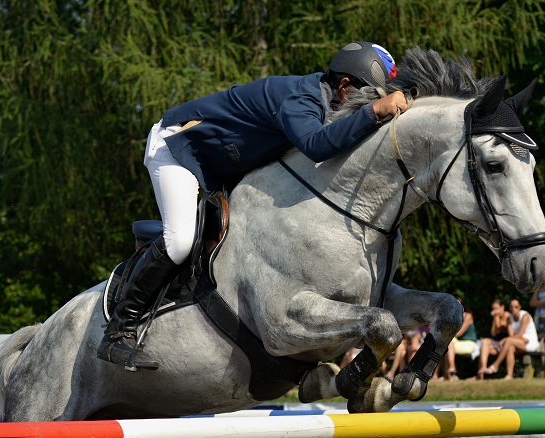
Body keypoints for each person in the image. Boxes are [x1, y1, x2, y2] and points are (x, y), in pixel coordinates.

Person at [98, 42, 408, 370]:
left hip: (220, 161)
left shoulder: (326, 100)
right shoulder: (299, 97)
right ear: (344, 85)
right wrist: (374, 111)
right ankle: (119, 332)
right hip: (177, 147)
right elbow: (318, 147)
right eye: (367, 96)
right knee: (181, 242)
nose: (370, 103)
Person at [481, 298, 539, 379]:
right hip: (519, 342)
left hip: (530, 343)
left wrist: (506, 339)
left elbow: (518, 335)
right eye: (511, 307)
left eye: (516, 307)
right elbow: (511, 335)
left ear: (520, 307)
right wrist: (517, 338)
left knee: (508, 341)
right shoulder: (510, 319)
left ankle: (495, 365)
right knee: (510, 347)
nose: (514, 309)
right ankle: (509, 375)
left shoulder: (525, 316)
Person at [475, 299, 510, 380]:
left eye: (496, 308)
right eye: (493, 309)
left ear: (502, 307)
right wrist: (495, 318)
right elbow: (493, 333)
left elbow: (500, 329)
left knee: (484, 348)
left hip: (505, 344)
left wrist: (496, 317)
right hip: (497, 343)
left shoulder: (506, 315)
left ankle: (481, 373)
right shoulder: (496, 317)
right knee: (484, 342)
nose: (494, 311)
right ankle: (483, 369)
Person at [443, 300, 477, 381]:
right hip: (457, 343)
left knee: (447, 342)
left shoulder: (468, 316)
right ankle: (448, 374)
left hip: (468, 343)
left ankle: (451, 369)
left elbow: (459, 333)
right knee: (443, 344)